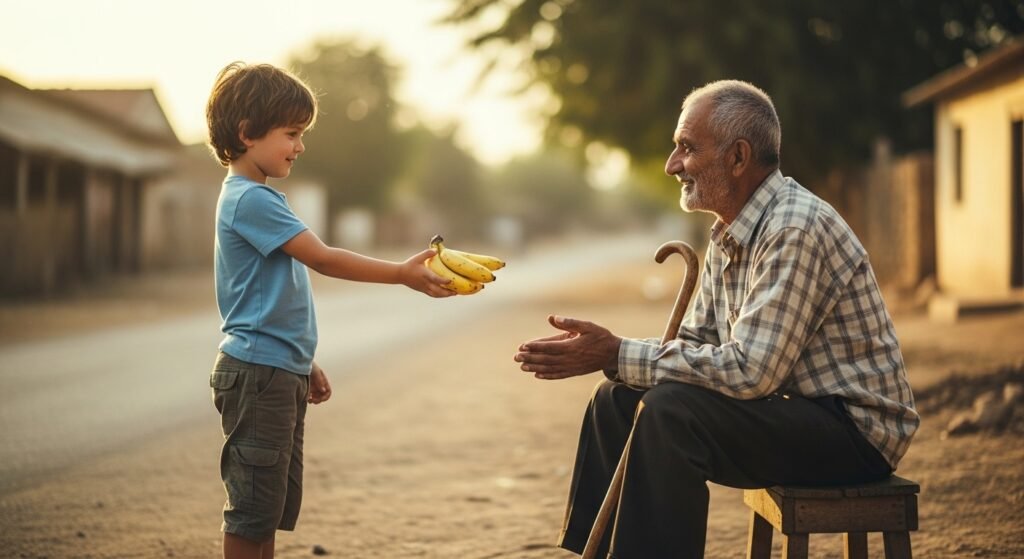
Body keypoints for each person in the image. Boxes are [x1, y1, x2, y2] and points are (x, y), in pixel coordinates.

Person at [513, 80, 919, 558]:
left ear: (738, 158)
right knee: (617, 398)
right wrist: (617, 362)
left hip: (852, 432)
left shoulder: (794, 227)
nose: (672, 165)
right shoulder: (730, 230)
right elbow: (694, 346)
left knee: (670, 414)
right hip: (792, 409)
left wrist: (618, 351)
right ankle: (597, 553)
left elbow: (750, 372)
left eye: (686, 147)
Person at [205, 61, 454, 559]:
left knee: (268, 506)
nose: (300, 146)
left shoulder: (259, 198)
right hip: (258, 373)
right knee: (251, 510)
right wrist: (402, 274)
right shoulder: (250, 199)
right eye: (292, 133)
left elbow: (267, 303)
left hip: (276, 367)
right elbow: (322, 258)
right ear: (247, 132)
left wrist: (303, 360)